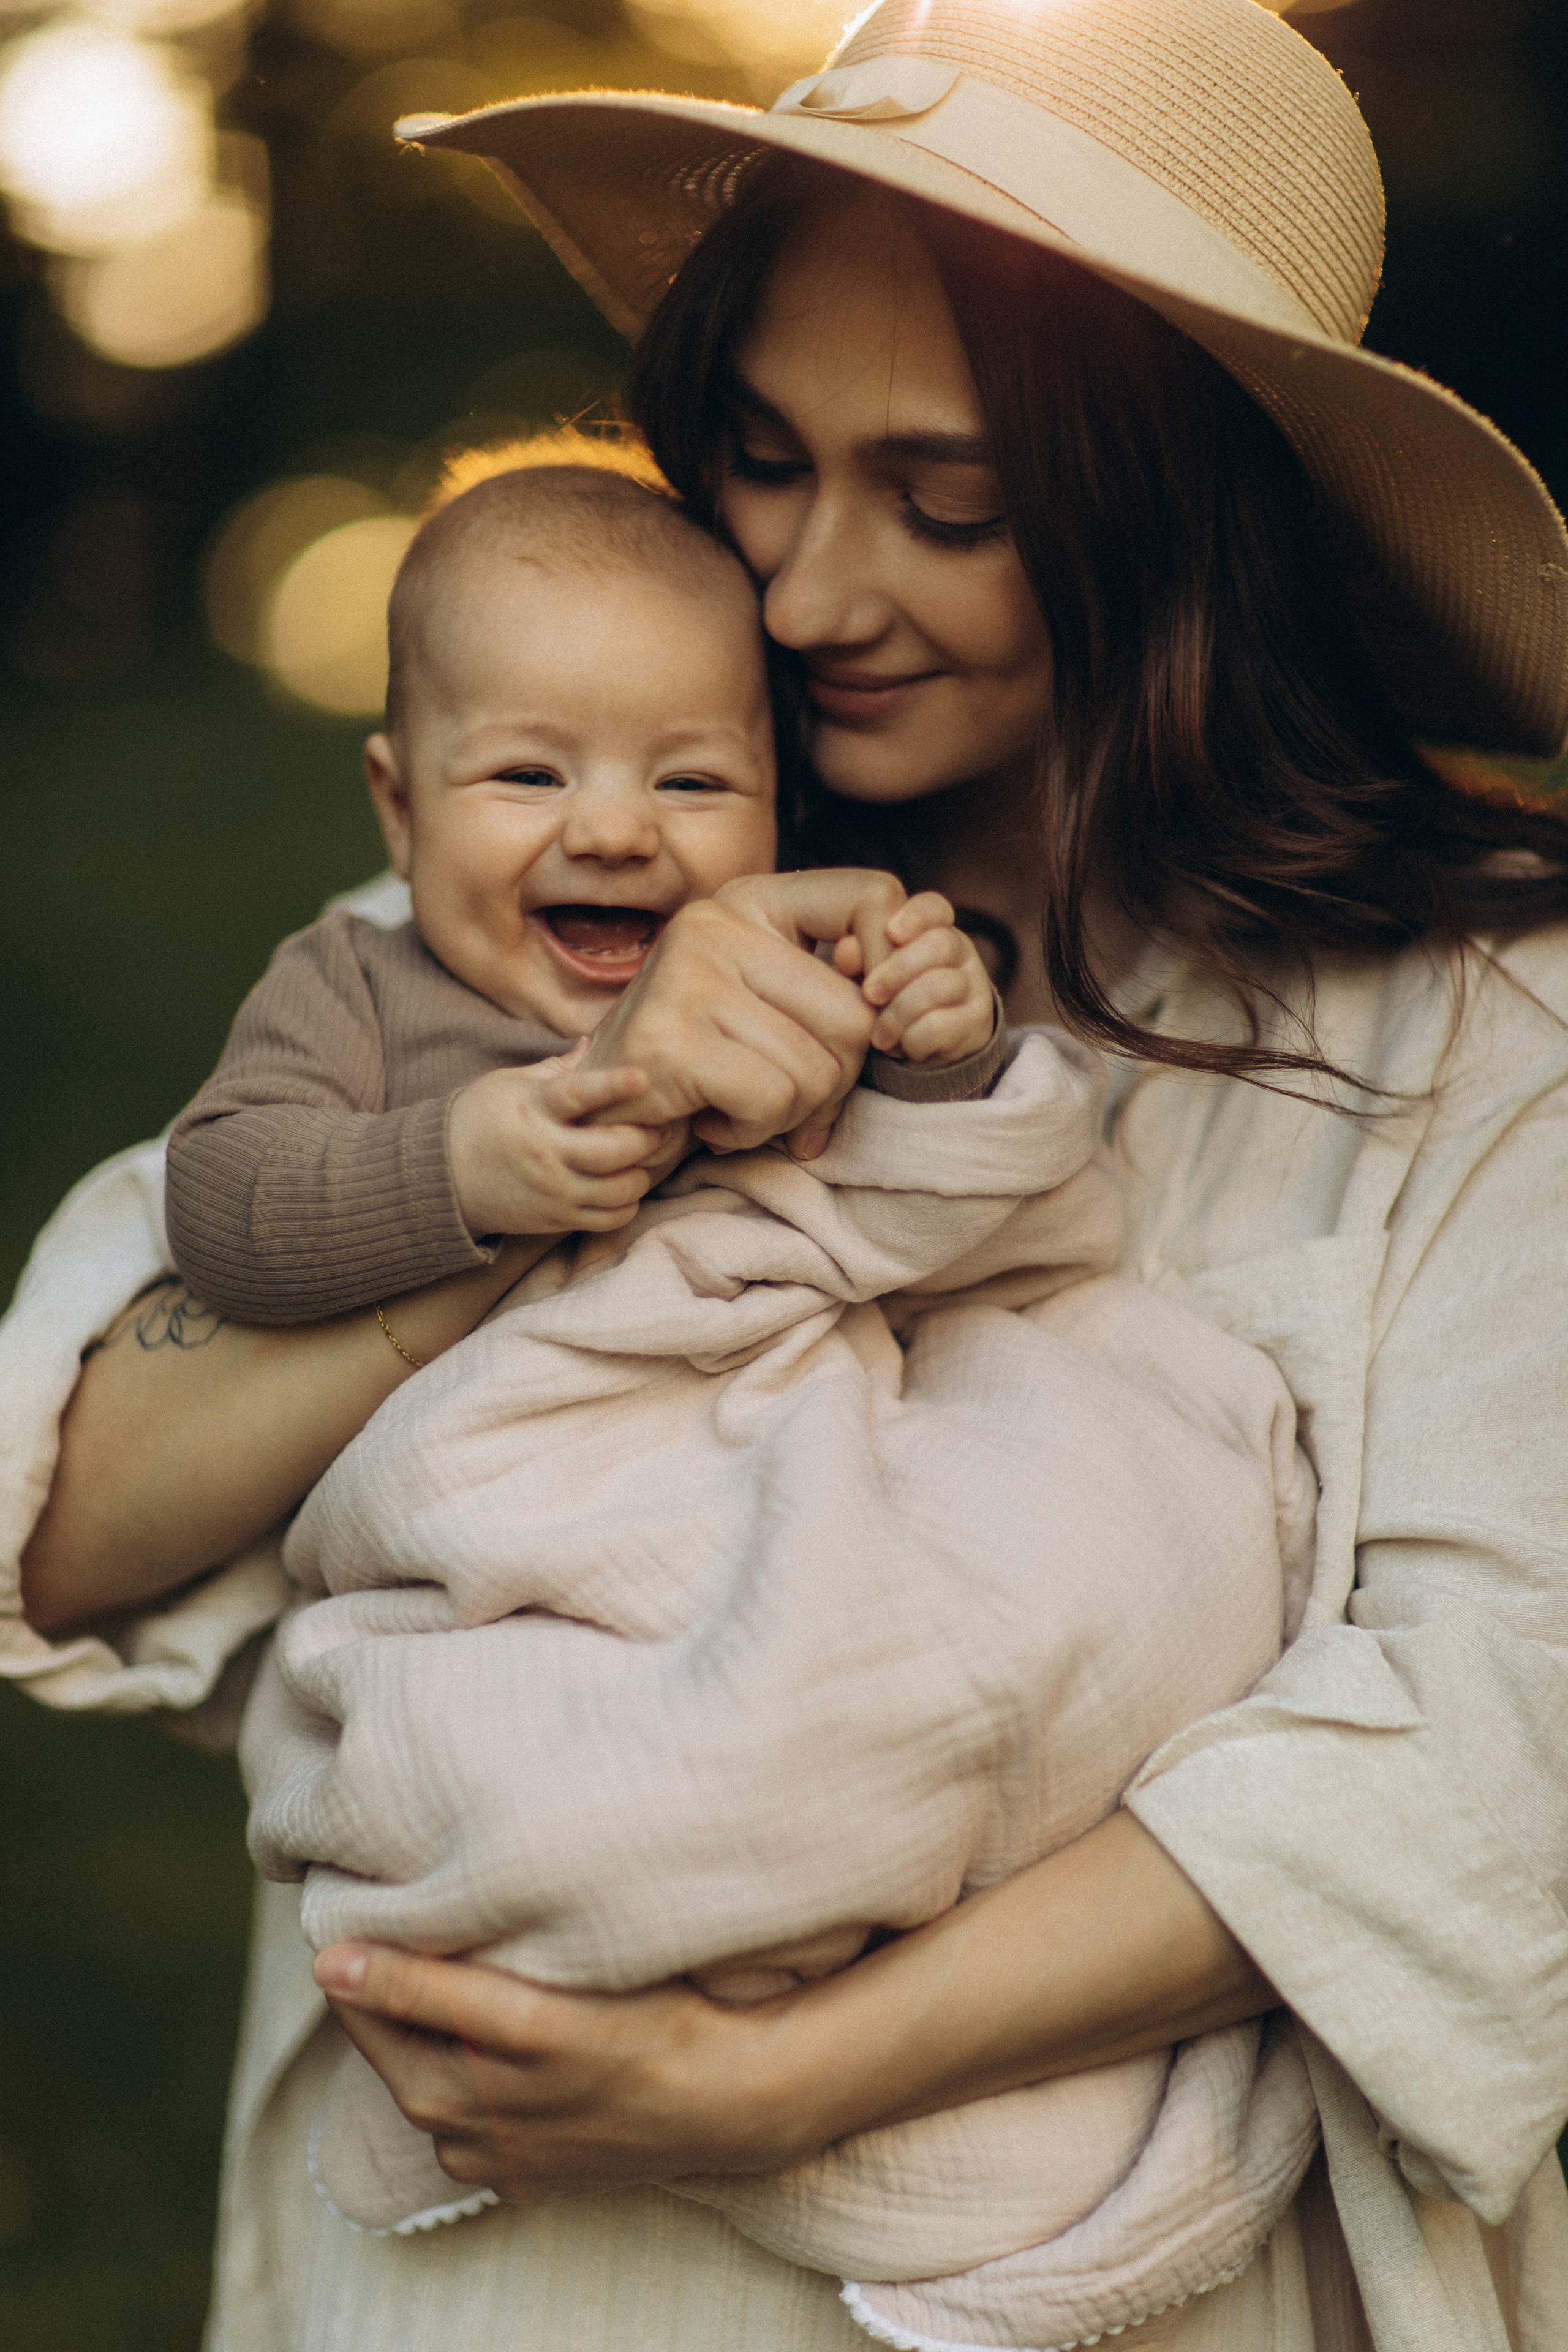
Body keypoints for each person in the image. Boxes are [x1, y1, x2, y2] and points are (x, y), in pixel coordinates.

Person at [9, 0, 1568, 2345]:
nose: (816, 596)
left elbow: (1495, 1748)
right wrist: (560, 1151)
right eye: (761, 463)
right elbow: (73, 1507)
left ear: (1181, 518)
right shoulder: (540, 904)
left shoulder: (1482, 1034)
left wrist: (769, 2081)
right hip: (494, 2269)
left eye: (949, 507)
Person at [163, 442, 1002, 1327]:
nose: (614, 834)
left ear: (778, 807)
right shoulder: (357, 988)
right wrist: (461, 1167)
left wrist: (934, 1045)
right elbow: (218, 1209)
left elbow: (930, 1199)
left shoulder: (797, 973)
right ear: (402, 811)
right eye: (530, 775)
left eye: (691, 782)